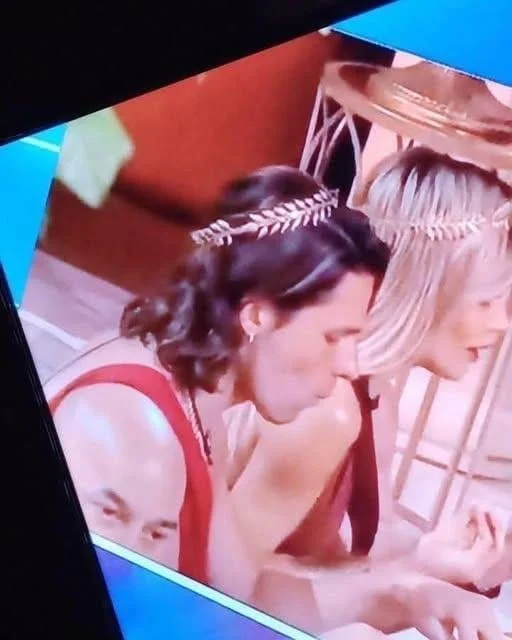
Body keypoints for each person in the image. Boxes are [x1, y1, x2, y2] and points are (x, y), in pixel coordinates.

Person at [45, 165, 504, 640]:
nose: (350, 365)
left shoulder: (197, 406)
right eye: (333, 337)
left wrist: (410, 596)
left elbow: (246, 593)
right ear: (257, 316)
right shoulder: (136, 432)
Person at [225, 150, 512, 636]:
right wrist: (407, 582)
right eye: (486, 301)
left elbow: (360, 553)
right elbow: (217, 584)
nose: (503, 324)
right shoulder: (325, 410)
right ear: (427, 288)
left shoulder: (375, 394)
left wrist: (450, 556)